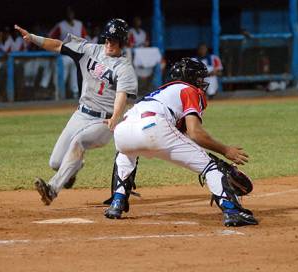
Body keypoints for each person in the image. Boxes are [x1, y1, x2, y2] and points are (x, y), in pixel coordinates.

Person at [104, 58, 258, 227]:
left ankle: (117, 203)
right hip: (154, 127)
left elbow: (182, 138)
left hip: (123, 130)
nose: (201, 82)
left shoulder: (160, 93)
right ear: (189, 78)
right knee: (212, 167)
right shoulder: (189, 90)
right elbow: (195, 133)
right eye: (199, 78)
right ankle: (232, 212)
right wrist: (225, 150)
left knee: (126, 153)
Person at [14, 18, 137, 205]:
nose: (110, 43)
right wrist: (32, 37)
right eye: (108, 39)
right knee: (55, 163)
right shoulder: (90, 50)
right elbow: (57, 46)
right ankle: (74, 166)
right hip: (81, 114)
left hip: (104, 121)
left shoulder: (124, 67)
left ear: (122, 42)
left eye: (115, 40)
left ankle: (52, 190)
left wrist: (115, 117)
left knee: (79, 142)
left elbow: (122, 95)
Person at [49, 6, 89, 98]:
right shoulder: (60, 25)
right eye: (68, 12)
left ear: (73, 14)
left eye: (71, 12)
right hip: (64, 56)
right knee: (61, 76)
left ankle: (74, 95)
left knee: (75, 77)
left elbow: (86, 38)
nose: (70, 14)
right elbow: (50, 36)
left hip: (76, 55)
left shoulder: (79, 24)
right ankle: (57, 95)